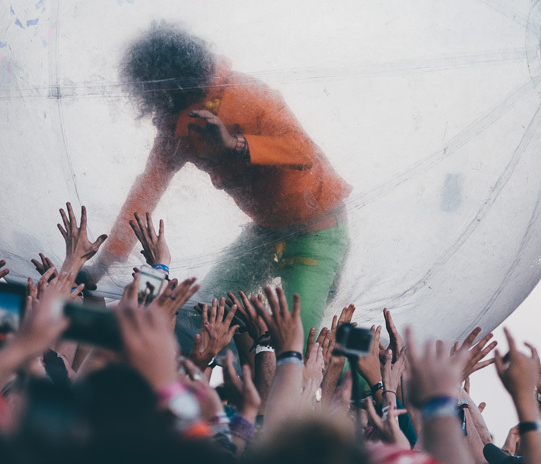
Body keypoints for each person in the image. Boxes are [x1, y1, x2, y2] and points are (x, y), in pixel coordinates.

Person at [90, 22, 352, 331]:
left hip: (317, 233)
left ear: (180, 72)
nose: (151, 93)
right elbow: (146, 191)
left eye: (156, 81)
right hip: (264, 234)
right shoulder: (175, 126)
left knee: (294, 337)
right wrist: (102, 265)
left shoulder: (247, 94)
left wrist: (233, 143)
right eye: (146, 85)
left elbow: (304, 152)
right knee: (201, 315)